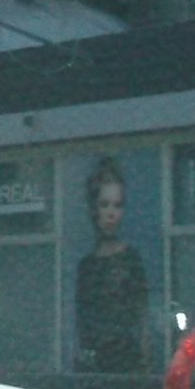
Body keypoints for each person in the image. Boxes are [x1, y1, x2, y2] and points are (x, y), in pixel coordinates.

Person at [75, 158, 148, 373]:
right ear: (94, 208)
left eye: (117, 205)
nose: (111, 213)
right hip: (92, 364)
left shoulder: (131, 259)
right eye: (104, 204)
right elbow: (80, 321)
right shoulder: (86, 266)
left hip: (127, 360)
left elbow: (143, 315)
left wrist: (145, 360)